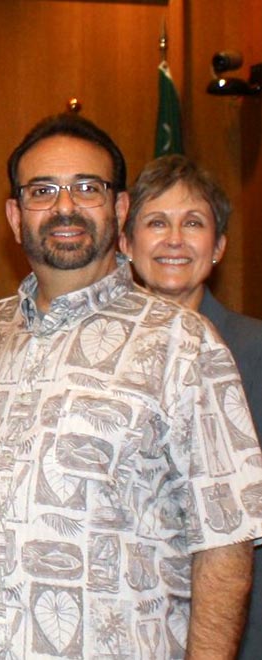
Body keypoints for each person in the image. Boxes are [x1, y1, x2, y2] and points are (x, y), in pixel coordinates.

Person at [0, 114, 262, 658]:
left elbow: (227, 543)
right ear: (13, 214)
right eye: (42, 191)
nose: (64, 207)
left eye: (86, 188)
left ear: (118, 209)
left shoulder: (184, 345)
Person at [118, 153, 262, 656]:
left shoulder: (254, 351)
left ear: (218, 246)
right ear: (125, 242)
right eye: (156, 222)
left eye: (193, 223)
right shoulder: (98, 360)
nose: (174, 240)